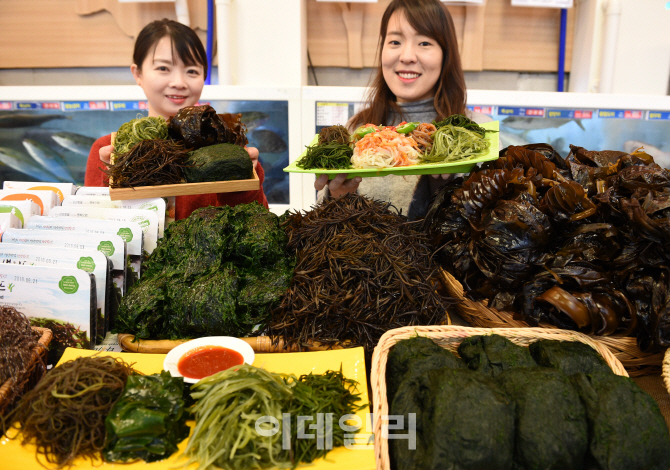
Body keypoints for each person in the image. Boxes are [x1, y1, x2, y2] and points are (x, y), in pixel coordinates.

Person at [314, 0, 491, 220]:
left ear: (446, 55)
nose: (407, 56)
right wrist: (340, 196)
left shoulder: (478, 133)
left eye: (424, 43)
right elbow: (323, 232)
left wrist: (445, 192)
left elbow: (493, 231)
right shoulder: (355, 130)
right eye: (395, 41)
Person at [85, 19, 268, 219]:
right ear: (138, 74)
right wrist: (115, 173)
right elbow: (97, 226)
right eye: (163, 68)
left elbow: (255, 222)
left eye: (192, 71)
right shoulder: (106, 150)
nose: (179, 82)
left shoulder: (225, 150)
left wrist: (244, 180)